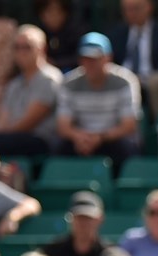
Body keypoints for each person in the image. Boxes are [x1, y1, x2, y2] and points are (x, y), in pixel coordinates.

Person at [55, 32, 141, 171]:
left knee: (127, 149)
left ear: (108, 58)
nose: (89, 63)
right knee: (59, 149)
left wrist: (100, 138)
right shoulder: (68, 83)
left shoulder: (125, 81)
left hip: (112, 140)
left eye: (95, 58)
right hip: (81, 140)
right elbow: (63, 126)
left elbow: (129, 125)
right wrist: (79, 137)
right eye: (85, 58)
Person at [0, 25, 61, 158]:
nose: (21, 52)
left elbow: (28, 123)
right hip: (11, 139)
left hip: (40, 142)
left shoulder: (49, 78)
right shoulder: (14, 84)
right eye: (17, 47)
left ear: (42, 49)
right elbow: (3, 120)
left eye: (27, 47)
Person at [109, 0, 158, 119]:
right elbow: (112, 62)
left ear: (149, 7)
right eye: (127, 9)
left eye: (136, 8)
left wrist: (144, 78)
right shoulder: (117, 34)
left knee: (156, 82)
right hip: (124, 78)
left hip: (154, 78)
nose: (131, 13)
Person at [36, 0, 84, 72]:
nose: (54, 16)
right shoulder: (38, 33)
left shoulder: (75, 31)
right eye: (49, 12)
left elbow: (80, 58)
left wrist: (56, 63)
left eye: (57, 12)